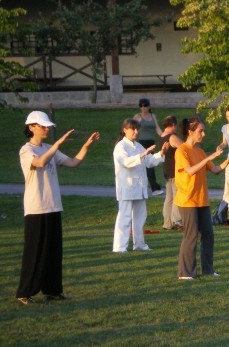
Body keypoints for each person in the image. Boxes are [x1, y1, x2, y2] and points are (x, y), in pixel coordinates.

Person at [15, 111, 100, 305]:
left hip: (53, 206)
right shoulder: (26, 150)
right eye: (42, 126)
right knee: (35, 251)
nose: (46, 129)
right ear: (31, 128)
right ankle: (24, 292)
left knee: (53, 251)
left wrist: (86, 145)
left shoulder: (48, 148)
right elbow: (39, 162)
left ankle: (53, 290)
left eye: (47, 126)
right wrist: (57, 144)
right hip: (36, 208)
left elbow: (73, 162)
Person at [174, 116, 229, 280]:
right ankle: (185, 273)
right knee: (191, 235)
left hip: (201, 200)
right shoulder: (181, 151)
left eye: (203, 130)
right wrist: (208, 158)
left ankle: (208, 270)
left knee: (208, 234)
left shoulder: (200, 151)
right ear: (190, 132)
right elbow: (189, 171)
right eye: (200, 131)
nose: (203, 134)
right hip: (187, 200)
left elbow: (216, 170)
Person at [113, 118, 168, 253]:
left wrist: (161, 153)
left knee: (140, 217)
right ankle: (119, 247)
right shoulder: (120, 146)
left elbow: (149, 161)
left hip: (140, 186)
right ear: (125, 130)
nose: (136, 132)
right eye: (133, 129)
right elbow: (125, 162)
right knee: (125, 217)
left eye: (137, 129)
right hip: (126, 186)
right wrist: (142, 154)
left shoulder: (138, 145)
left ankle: (140, 244)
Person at [133, 98, 163, 194]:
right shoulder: (138, 116)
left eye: (145, 105)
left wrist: (165, 137)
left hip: (151, 143)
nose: (143, 107)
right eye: (141, 106)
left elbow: (157, 128)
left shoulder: (152, 116)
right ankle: (154, 188)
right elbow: (132, 129)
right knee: (145, 166)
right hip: (142, 143)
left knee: (151, 164)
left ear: (149, 106)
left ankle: (153, 187)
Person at [159, 115, 183, 231]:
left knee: (169, 198)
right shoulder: (171, 137)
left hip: (166, 170)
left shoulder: (162, 136)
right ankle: (177, 221)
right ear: (173, 125)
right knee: (177, 196)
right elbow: (184, 148)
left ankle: (167, 223)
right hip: (174, 170)